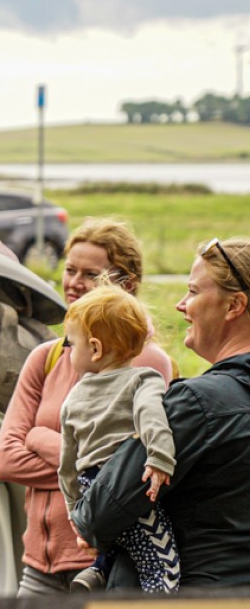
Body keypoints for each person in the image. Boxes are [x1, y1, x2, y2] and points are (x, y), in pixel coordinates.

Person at [0, 218, 174, 596]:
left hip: (102, 564)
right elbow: (6, 461)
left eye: (90, 274)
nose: (74, 282)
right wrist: (90, 467)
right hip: (38, 566)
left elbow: (129, 469)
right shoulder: (45, 357)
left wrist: (39, 439)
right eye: (70, 269)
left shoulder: (145, 363)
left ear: (125, 285)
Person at [73, 237, 250, 589]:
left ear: (234, 305)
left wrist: (83, 515)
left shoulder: (196, 405)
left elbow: (98, 513)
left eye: (193, 291)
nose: (181, 305)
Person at [58, 284, 178, 593]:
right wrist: (160, 457)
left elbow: (66, 464)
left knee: (119, 538)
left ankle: (98, 570)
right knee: (161, 563)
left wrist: (76, 512)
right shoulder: (143, 378)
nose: (68, 351)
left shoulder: (73, 397)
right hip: (127, 485)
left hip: (90, 487)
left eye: (71, 343)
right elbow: (151, 415)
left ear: (95, 349)